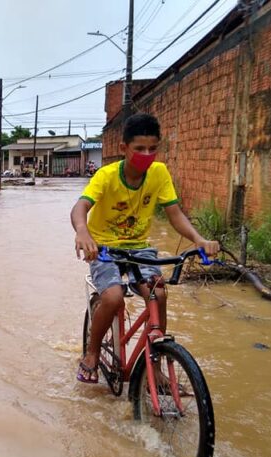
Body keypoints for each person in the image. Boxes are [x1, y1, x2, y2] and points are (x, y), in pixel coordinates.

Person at [70, 113, 218, 383]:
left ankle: (157, 363)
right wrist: (83, 231)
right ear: (123, 148)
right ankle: (91, 353)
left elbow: (175, 214)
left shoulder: (159, 173)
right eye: (139, 149)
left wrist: (198, 240)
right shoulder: (106, 176)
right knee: (113, 297)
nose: (147, 154)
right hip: (105, 249)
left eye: (153, 149)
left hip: (140, 250)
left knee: (158, 293)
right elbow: (81, 207)